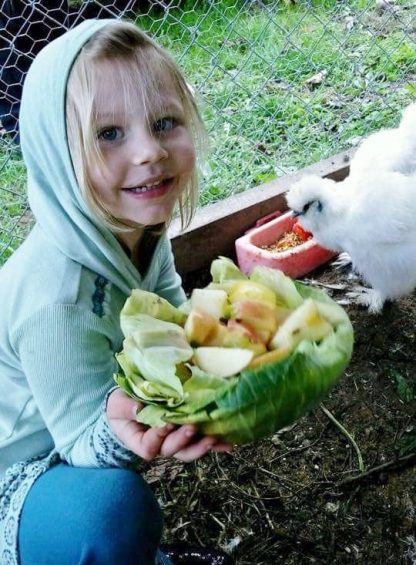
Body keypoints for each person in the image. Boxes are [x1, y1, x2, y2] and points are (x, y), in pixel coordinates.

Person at [0, 19, 234, 565]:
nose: (150, 152)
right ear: (59, 155)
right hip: (15, 475)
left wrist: (220, 366)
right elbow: (84, 442)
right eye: (109, 134)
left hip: (65, 437)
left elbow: (172, 310)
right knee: (108, 516)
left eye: (164, 121)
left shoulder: (135, 227)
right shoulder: (55, 298)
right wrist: (143, 421)